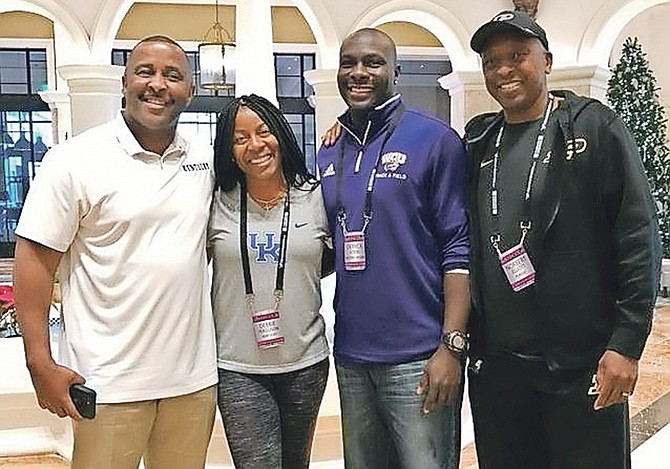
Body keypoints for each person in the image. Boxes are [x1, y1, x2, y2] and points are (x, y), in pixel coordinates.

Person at [465, 11, 661, 468]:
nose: (503, 70)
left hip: (580, 362)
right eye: (492, 61)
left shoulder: (594, 127)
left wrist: (626, 343)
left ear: (547, 61)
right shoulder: (478, 140)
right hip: (499, 368)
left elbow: (636, 236)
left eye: (517, 56)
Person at [13, 35, 217, 469]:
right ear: (124, 82)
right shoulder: (74, 160)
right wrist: (39, 360)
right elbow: (33, 259)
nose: (158, 84)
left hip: (192, 383)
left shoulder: (205, 158)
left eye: (173, 75)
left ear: (191, 90)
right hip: (106, 384)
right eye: (145, 72)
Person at [317, 28, 470, 468]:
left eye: (373, 62)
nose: (359, 72)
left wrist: (451, 347)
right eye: (349, 63)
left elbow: (458, 248)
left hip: (419, 355)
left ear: (396, 72)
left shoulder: (435, 140)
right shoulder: (330, 150)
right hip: (351, 355)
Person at [209, 94, 331, 468]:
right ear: (229, 150)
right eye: (240, 138)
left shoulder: (317, 196)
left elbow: (325, 261)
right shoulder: (213, 201)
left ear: (281, 134)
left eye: (263, 132)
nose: (255, 145)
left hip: (306, 361)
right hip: (238, 366)